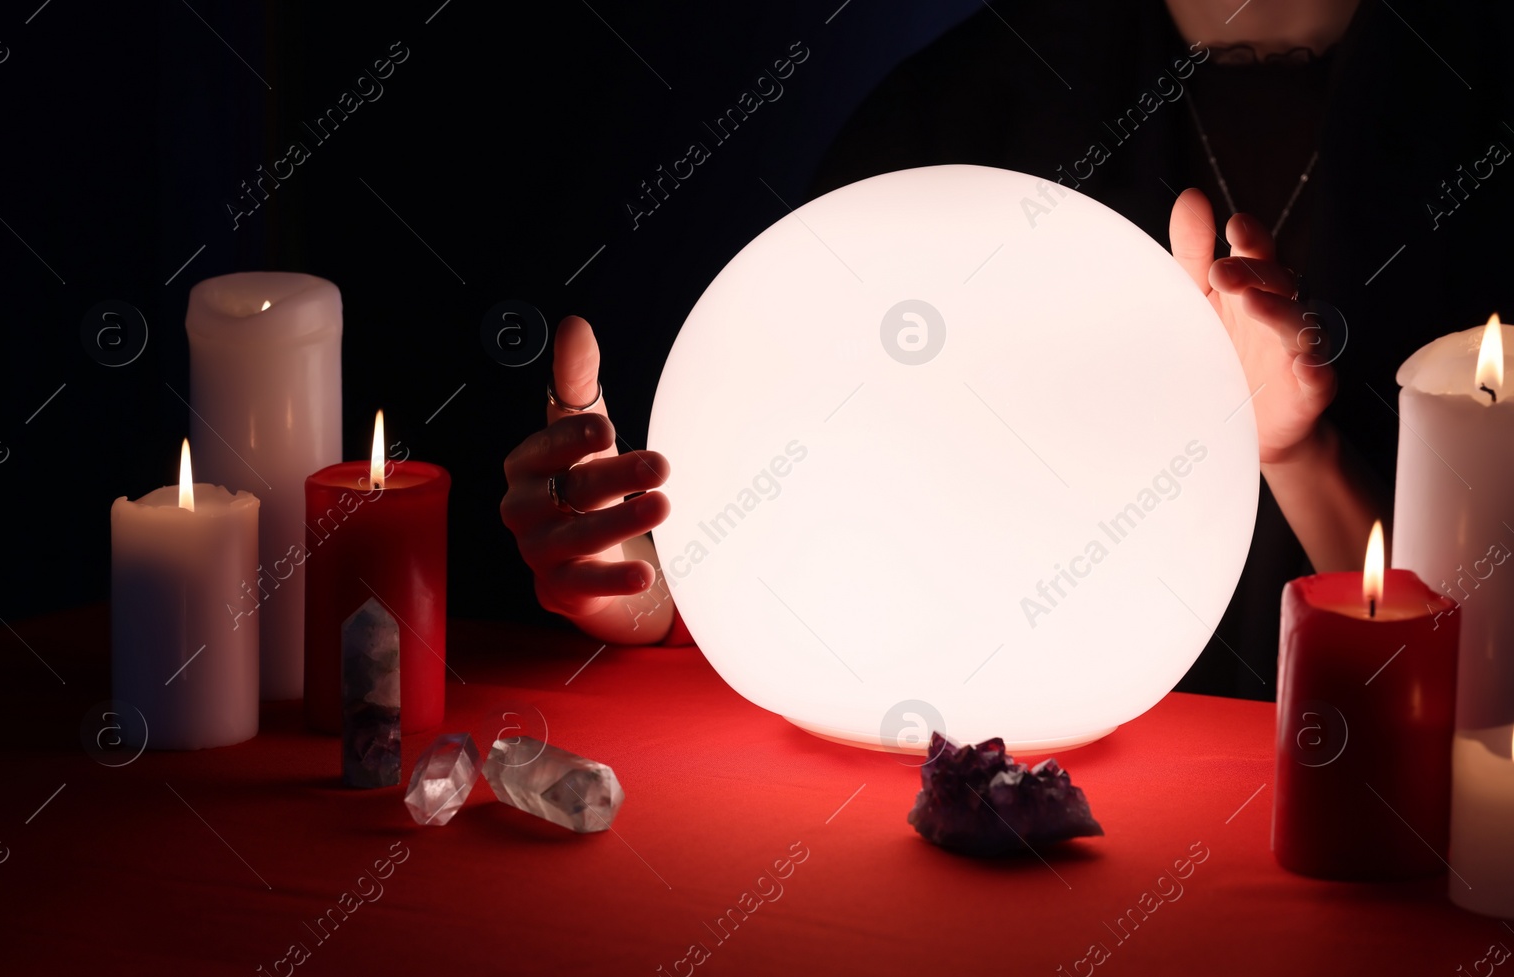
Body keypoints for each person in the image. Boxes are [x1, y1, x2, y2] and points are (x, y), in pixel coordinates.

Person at [501, 0, 1514, 695]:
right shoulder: (954, 117)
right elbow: (820, 559)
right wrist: (667, 579)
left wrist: (1295, 454)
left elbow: (1478, 695)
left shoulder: (1476, 125)